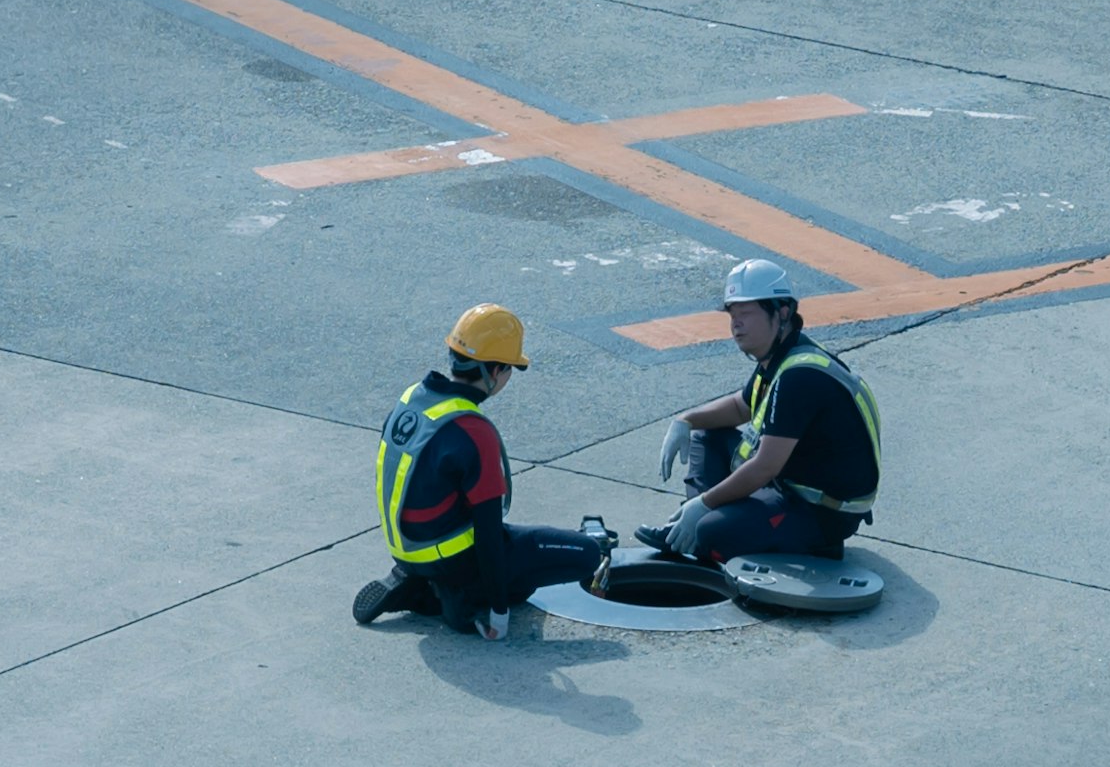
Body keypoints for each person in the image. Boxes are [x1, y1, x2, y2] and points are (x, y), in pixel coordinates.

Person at [354, 303, 611, 639]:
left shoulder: (413, 400)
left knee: (519, 566)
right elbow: (489, 533)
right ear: (495, 371)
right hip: (455, 557)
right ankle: (453, 599)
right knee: (585, 554)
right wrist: (498, 609)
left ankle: (419, 581)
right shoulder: (473, 431)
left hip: (410, 549)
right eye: (509, 371)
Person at [643, 258, 881, 564]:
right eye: (732, 316)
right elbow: (741, 406)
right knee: (706, 436)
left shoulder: (799, 376)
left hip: (820, 512)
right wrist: (685, 421)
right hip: (788, 485)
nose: (736, 325)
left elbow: (765, 466)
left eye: (746, 314)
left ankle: (704, 528)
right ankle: (697, 523)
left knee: (712, 535)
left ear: (782, 313)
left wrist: (703, 503)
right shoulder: (778, 357)